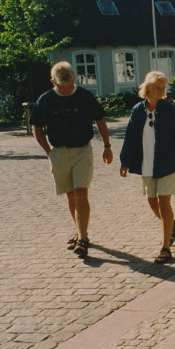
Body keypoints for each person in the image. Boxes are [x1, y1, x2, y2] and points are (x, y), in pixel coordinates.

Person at [30, 61, 113, 258]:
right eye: (62, 86)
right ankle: (79, 231)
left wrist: (107, 146)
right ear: (53, 82)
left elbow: (100, 120)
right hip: (59, 151)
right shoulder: (46, 100)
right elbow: (37, 127)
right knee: (70, 196)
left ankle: (82, 238)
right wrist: (48, 151)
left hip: (82, 150)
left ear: (74, 79)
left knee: (81, 193)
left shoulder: (85, 96)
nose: (66, 90)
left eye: (69, 85)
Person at [119, 71, 175, 264]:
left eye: (163, 88)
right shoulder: (137, 110)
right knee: (152, 202)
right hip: (146, 164)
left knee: (164, 202)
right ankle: (171, 225)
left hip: (168, 163)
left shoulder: (170, 110)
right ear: (147, 88)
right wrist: (125, 161)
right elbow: (130, 137)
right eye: (157, 88)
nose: (161, 91)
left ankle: (165, 248)